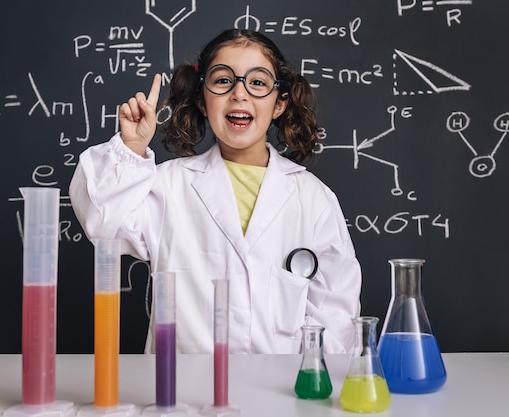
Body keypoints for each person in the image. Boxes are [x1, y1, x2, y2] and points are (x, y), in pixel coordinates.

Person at [69, 29, 361, 354]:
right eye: (223, 81)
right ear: (202, 102)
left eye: (258, 82)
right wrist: (131, 149)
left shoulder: (314, 200)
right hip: (181, 391)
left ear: (280, 104)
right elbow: (104, 225)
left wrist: (309, 385)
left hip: (280, 394)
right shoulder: (168, 186)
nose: (239, 94)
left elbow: (337, 313)